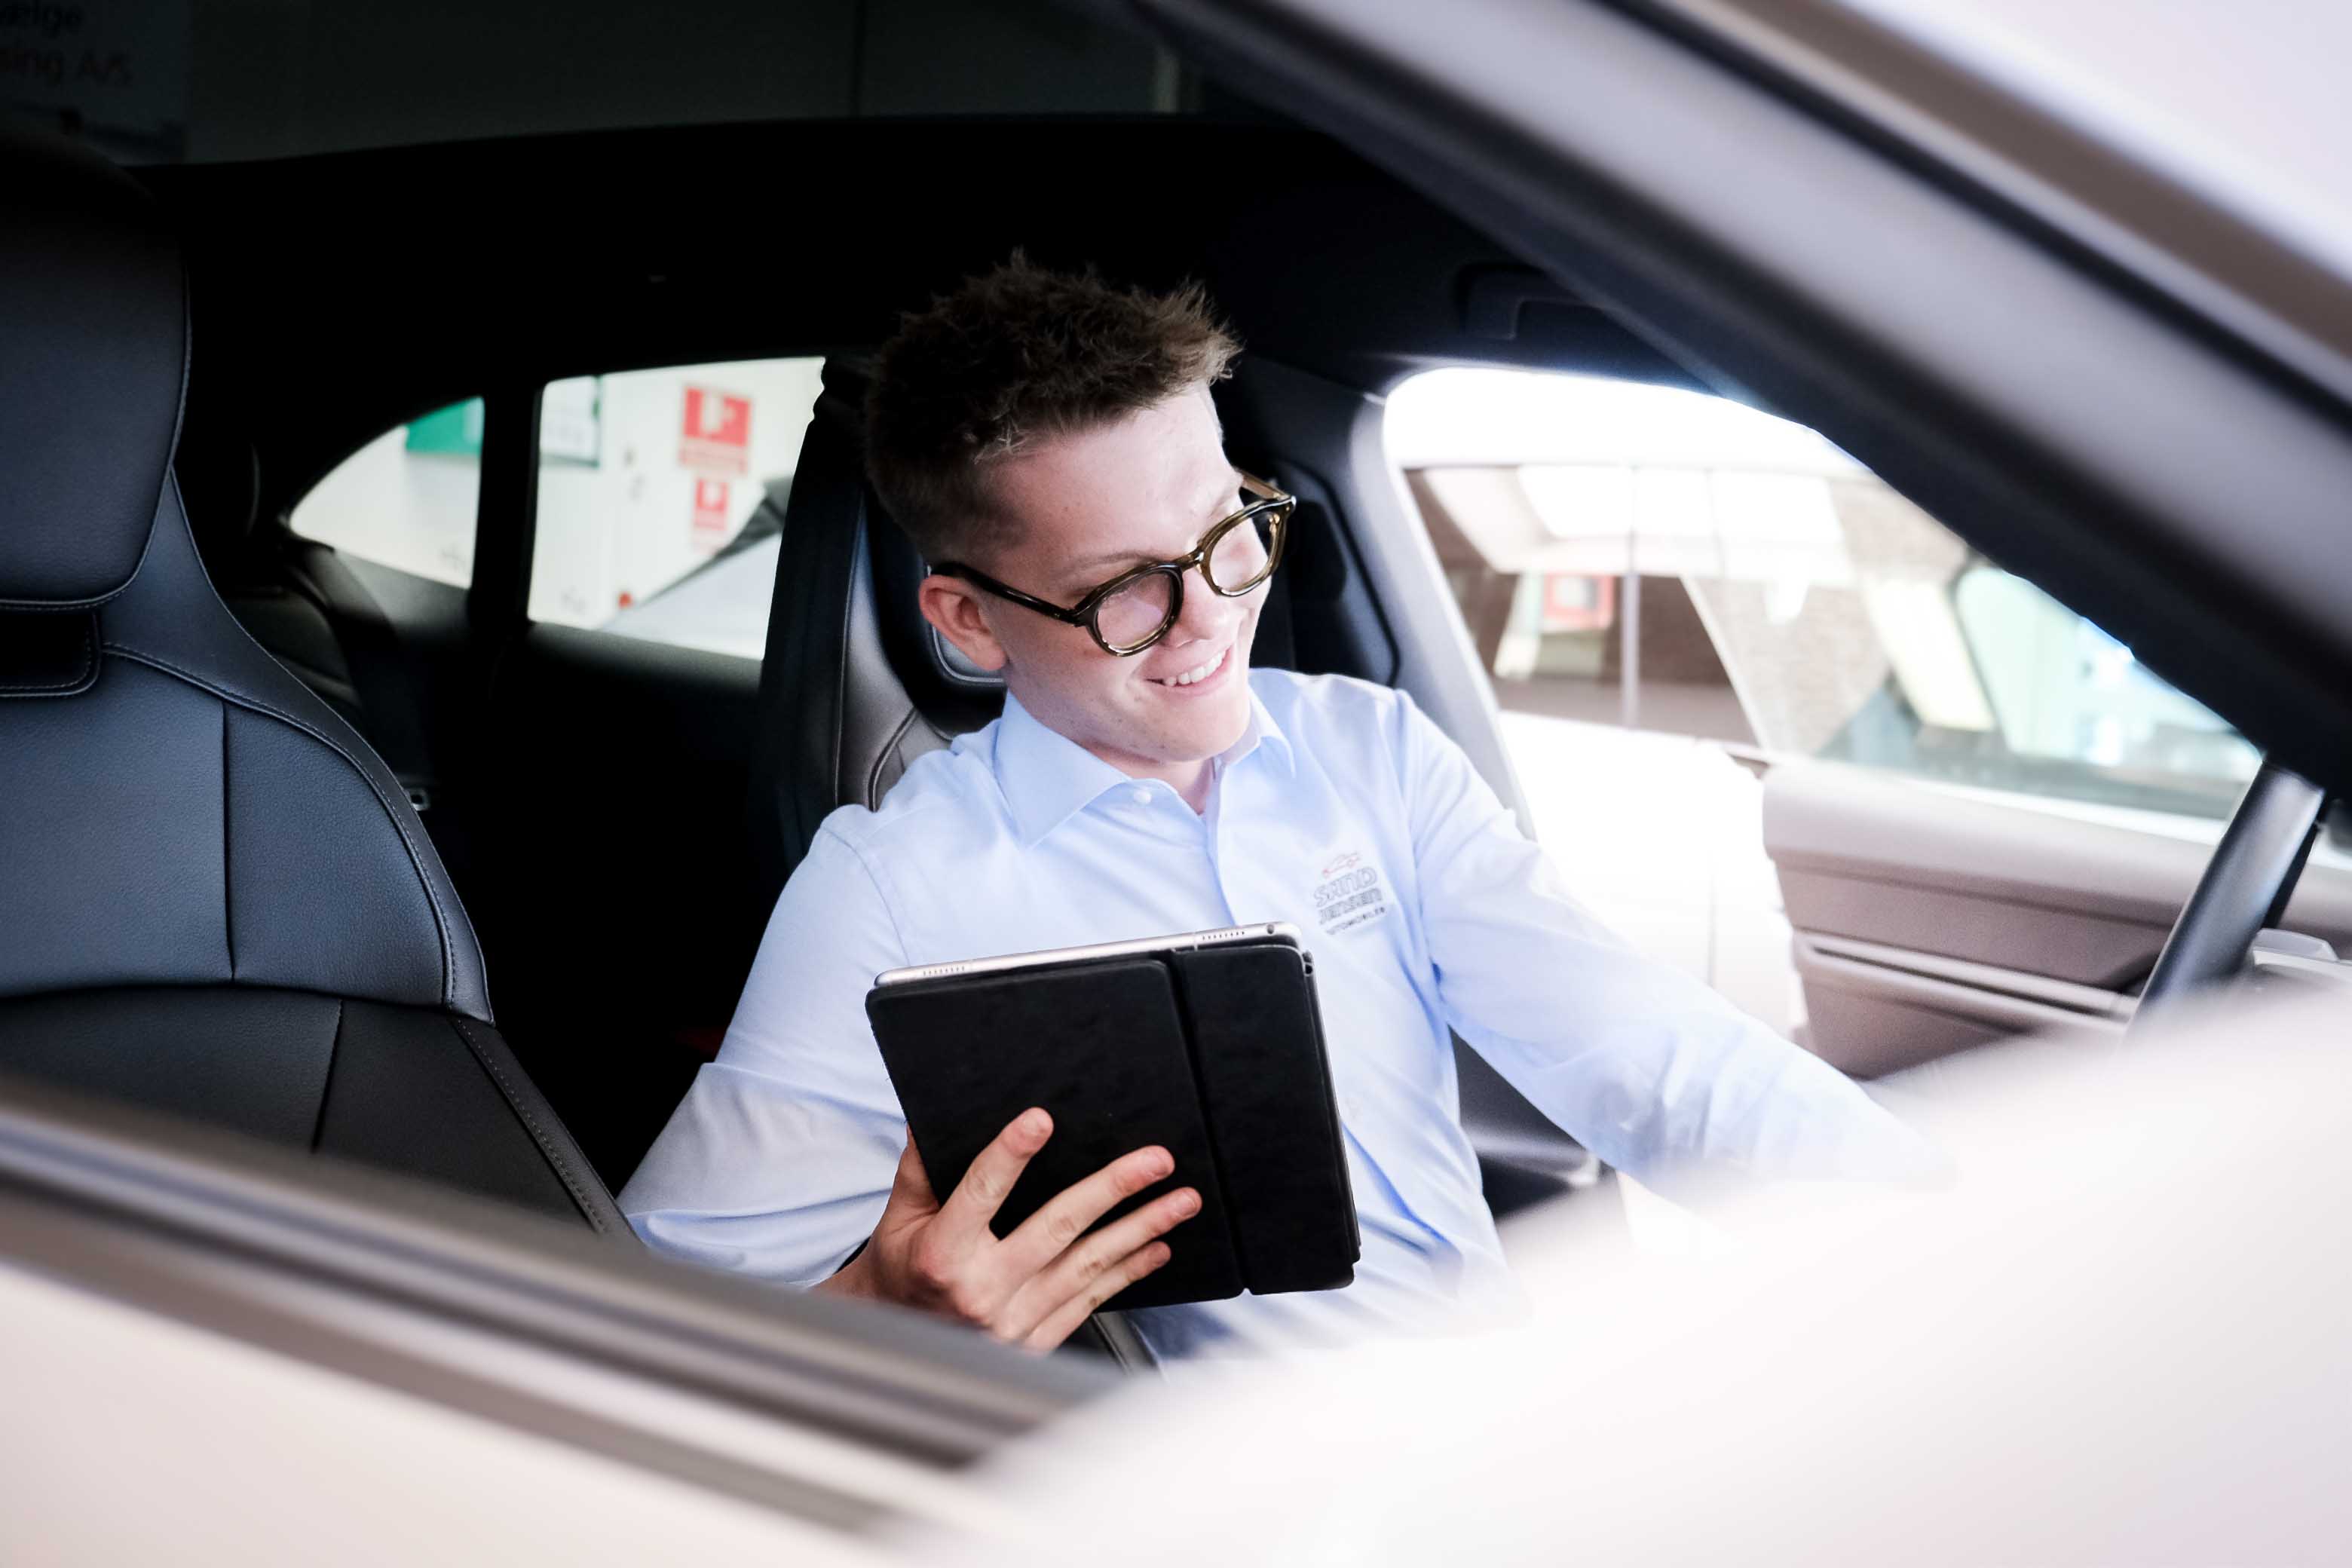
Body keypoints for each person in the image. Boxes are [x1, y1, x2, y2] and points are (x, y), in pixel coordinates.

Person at [620, 257, 1930, 1361]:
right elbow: (667, 1314)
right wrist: (886, 1313)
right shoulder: (892, 889)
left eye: (1227, 531)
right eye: (1123, 591)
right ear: (969, 621)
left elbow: (1656, 1061)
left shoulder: (1372, 751)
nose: (1210, 620)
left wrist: (1943, 1242)